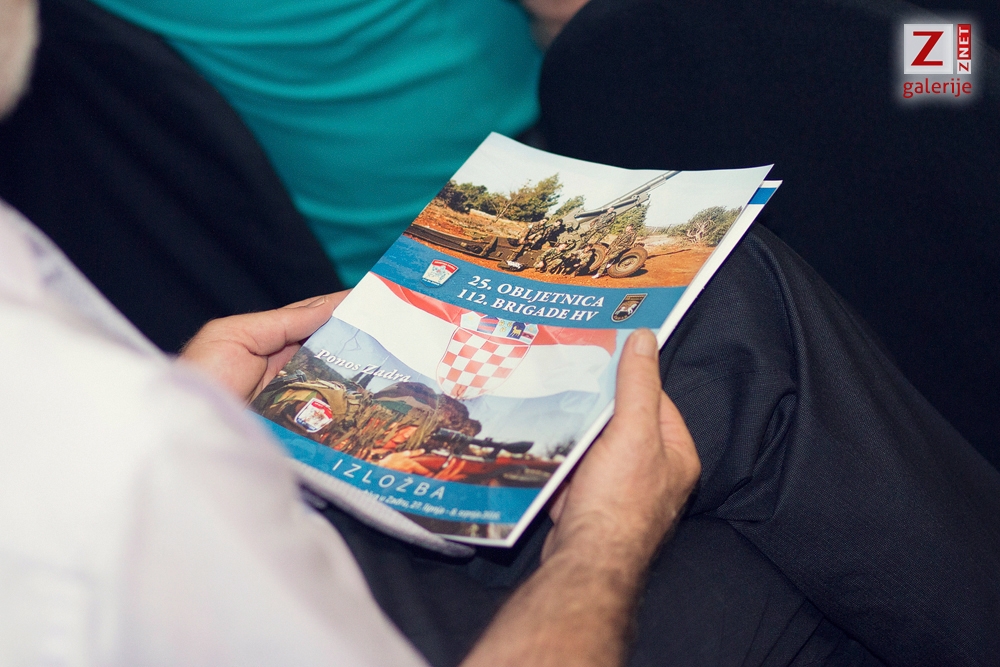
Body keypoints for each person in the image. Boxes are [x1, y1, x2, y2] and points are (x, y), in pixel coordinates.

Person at [4, 2, 1000, 666]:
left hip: (267, 374)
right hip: (503, 169)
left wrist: (192, 407)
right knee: (747, 303)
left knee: (724, 320)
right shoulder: (130, 455)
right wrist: (603, 539)